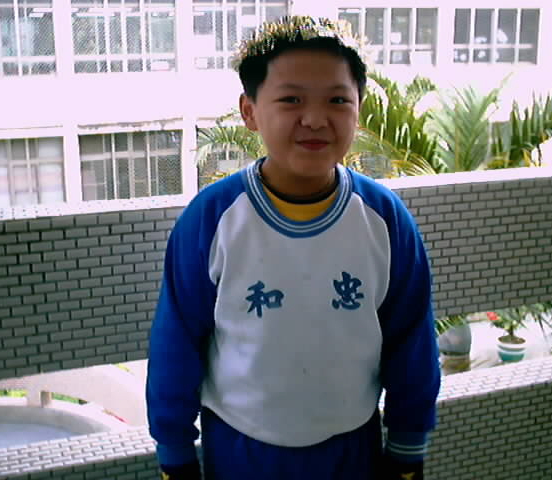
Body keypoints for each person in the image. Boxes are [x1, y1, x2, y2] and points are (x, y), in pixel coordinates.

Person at [146, 16, 441, 480]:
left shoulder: (384, 219)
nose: (316, 119)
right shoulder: (212, 219)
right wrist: (175, 453)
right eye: (291, 99)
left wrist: (407, 450)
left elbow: (412, 341)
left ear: (359, 109)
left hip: (351, 447)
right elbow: (177, 341)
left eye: (337, 100)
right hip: (240, 449)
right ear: (249, 111)